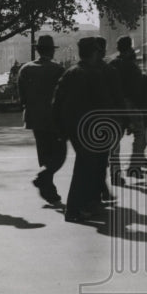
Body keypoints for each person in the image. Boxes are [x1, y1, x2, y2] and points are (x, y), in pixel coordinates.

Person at [52, 37, 114, 222]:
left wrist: (60, 129)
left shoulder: (70, 73)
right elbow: (105, 103)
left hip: (74, 128)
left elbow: (57, 102)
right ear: (95, 53)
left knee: (86, 166)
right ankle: (75, 208)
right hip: (92, 128)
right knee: (86, 168)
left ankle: (84, 204)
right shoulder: (95, 74)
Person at [17, 35, 66, 205]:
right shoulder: (58, 69)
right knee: (59, 154)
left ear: (37, 50)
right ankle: (43, 178)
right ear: (51, 50)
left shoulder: (25, 69)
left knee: (44, 154)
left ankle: (48, 189)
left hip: (34, 117)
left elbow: (21, 96)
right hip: (53, 118)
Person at [108, 36, 147, 183]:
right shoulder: (132, 67)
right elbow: (139, 88)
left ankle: (115, 172)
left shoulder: (112, 64)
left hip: (115, 104)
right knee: (140, 134)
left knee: (115, 139)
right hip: (130, 103)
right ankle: (134, 166)